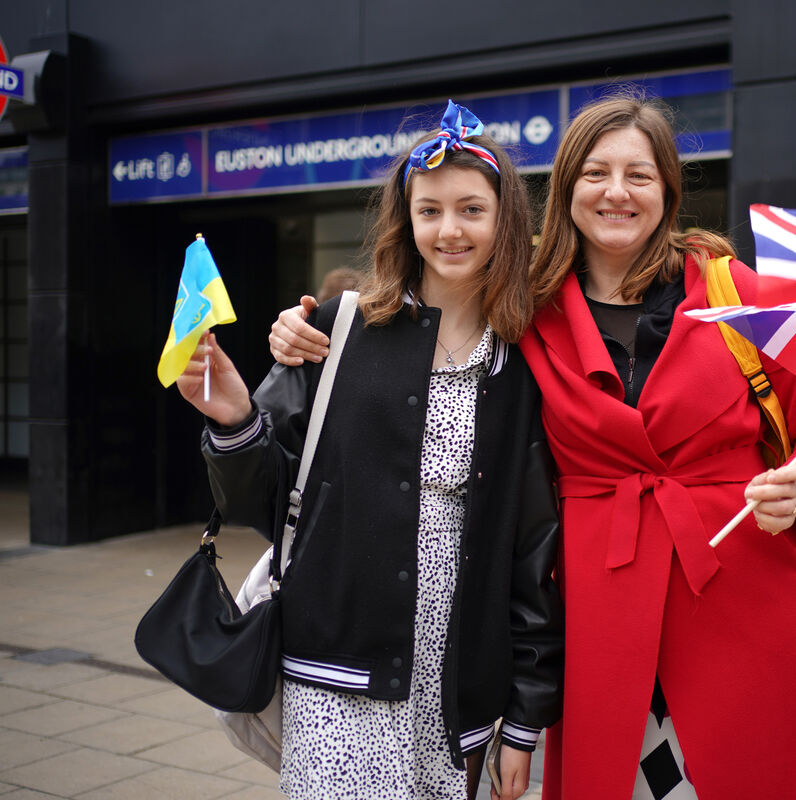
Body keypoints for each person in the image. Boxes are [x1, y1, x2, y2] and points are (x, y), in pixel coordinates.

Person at [269, 95, 796, 798]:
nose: (616, 192)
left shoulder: (741, 294)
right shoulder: (526, 313)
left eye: (639, 175)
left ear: (668, 190)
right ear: (567, 191)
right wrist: (307, 331)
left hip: (748, 596)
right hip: (602, 613)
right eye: (596, 173)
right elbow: (427, 310)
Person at [177, 101, 563, 800]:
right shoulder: (336, 330)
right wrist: (234, 419)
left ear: (504, 221)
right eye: (431, 210)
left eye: (472, 210)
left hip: (458, 687)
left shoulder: (524, 362)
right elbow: (260, 500)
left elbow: (532, 550)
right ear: (406, 219)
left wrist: (525, 717)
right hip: (338, 668)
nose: (450, 230)